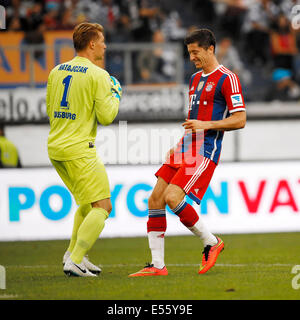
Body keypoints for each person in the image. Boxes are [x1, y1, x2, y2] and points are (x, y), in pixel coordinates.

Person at [129, 29, 246, 277]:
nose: (192, 57)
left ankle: (211, 242)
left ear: (210, 49)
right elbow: (194, 120)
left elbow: (240, 119)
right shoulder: (194, 80)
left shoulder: (227, 78)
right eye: (189, 53)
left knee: (173, 197)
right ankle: (158, 266)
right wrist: (179, 144)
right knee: (155, 200)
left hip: (204, 150)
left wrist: (208, 126)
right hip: (185, 148)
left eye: (195, 52)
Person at [46, 22, 122, 277]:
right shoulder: (98, 75)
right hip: (79, 149)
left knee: (87, 204)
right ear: (91, 44)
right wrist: (116, 93)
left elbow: (50, 110)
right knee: (103, 206)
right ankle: (75, 260)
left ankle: (72, 253)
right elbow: (107, 116)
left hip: (56, 147)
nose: (105, 45)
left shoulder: (56, 71)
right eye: (101, 40)